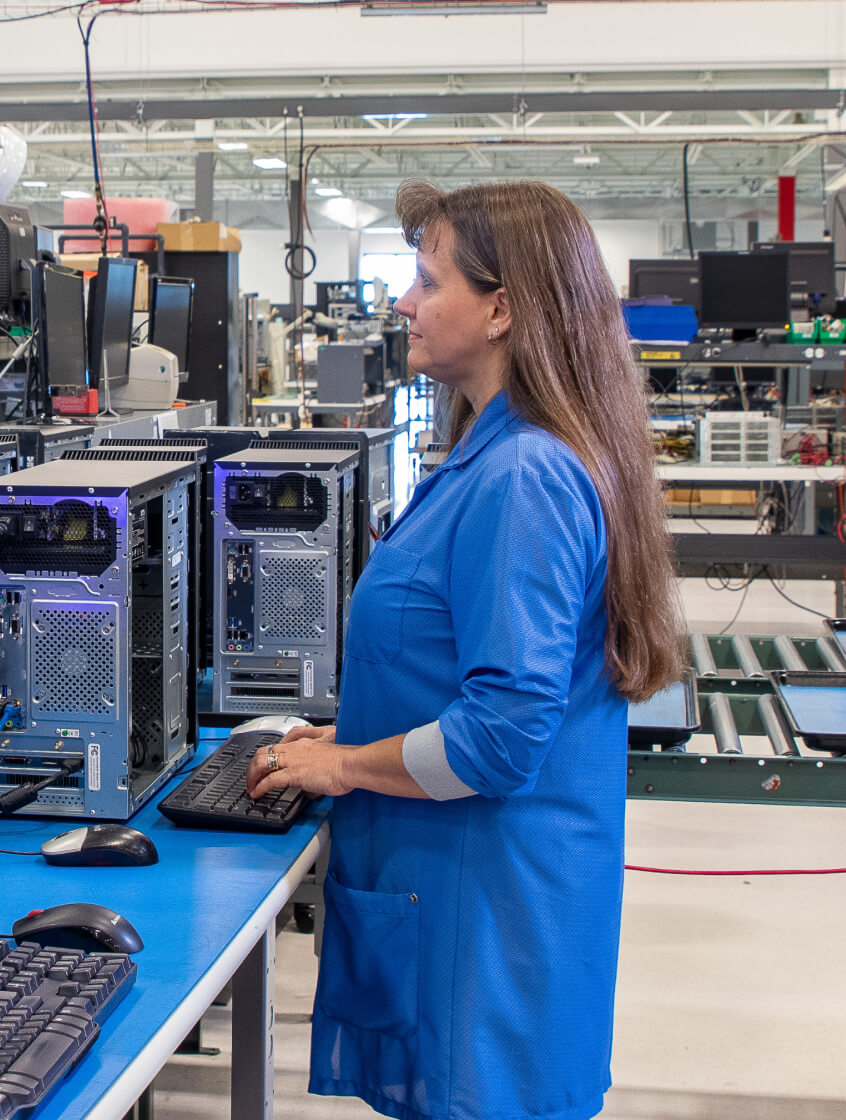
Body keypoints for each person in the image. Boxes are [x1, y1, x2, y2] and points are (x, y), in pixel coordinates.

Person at [246, 179, 685, 1120]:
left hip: (484, 921)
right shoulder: (496, 451)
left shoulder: (525, 475)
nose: (403, 302)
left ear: (503, 308)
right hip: (464, 894)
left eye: (425, 279)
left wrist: (340, 766)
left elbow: (497, 739)